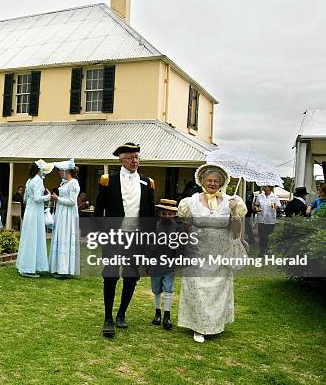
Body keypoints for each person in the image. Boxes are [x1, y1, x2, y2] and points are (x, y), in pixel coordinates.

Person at [177, 164, 247, 343]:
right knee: (198, 289)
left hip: (220, 254)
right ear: (202, 181)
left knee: (217, 290)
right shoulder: (190, 202)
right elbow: (184, 226)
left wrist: (234, 214)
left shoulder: (232, 202)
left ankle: (214, 324)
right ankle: (198, 327)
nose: (213, 183)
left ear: (222, 182)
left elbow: (236, 232)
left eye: (216, 181)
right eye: (209, 180)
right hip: (197, 252)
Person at [94, 143, 155, 338]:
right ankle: (108, 318)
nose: (134, 161)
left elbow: (149, 214)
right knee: (110, 276)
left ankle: (122, 314)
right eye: (130, 158)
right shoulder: (108, 180)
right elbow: (98, 211)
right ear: (121, 160)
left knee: (131, 277)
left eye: (137, 157)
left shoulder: (147, 182)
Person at [149, 199, 182, 330]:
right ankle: (157, 313)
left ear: (175, 214)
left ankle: (167, 315)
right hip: (156, 262)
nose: (167, 216)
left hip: (170, 262)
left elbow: (182, 246)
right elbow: (148, 245)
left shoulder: (179, 228)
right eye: (165, 214)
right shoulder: (154, 226)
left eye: (170, 214)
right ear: (160, 213)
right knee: (156, 289)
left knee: (168, 288)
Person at [16, 160, 53, 277]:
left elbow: (26, 198)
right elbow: (37, 198)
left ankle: (25, 265)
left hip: (30, 210)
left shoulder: (30, 180)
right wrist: (48, 196)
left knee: (29, 237)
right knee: (33, 237)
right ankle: (29, 268)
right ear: (39, 169)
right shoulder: (37, 180)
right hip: (35, 211)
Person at [49, 160, 81, 277]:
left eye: (60, 170)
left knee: (65, 236)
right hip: (61, 212)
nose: (58, 172)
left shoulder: (74, 183)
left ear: (66, 171)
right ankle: (58, 267)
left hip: (68, 215)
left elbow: (72, 201)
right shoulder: (64, 183)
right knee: (60, 236)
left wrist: (58, 199)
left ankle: (65, 269)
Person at [253, 186, 281, 255]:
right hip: (261, 220)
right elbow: (256, 205)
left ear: (270, 188)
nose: (264, 188)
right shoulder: (260, 196)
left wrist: (276, 207)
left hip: (270, 220)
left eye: (266, 187)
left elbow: (279, 206)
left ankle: (268, 250)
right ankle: (261, 252)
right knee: (261, 236)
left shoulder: (275, 197)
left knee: (268, 237)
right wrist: (256, 208)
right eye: (264, 187)